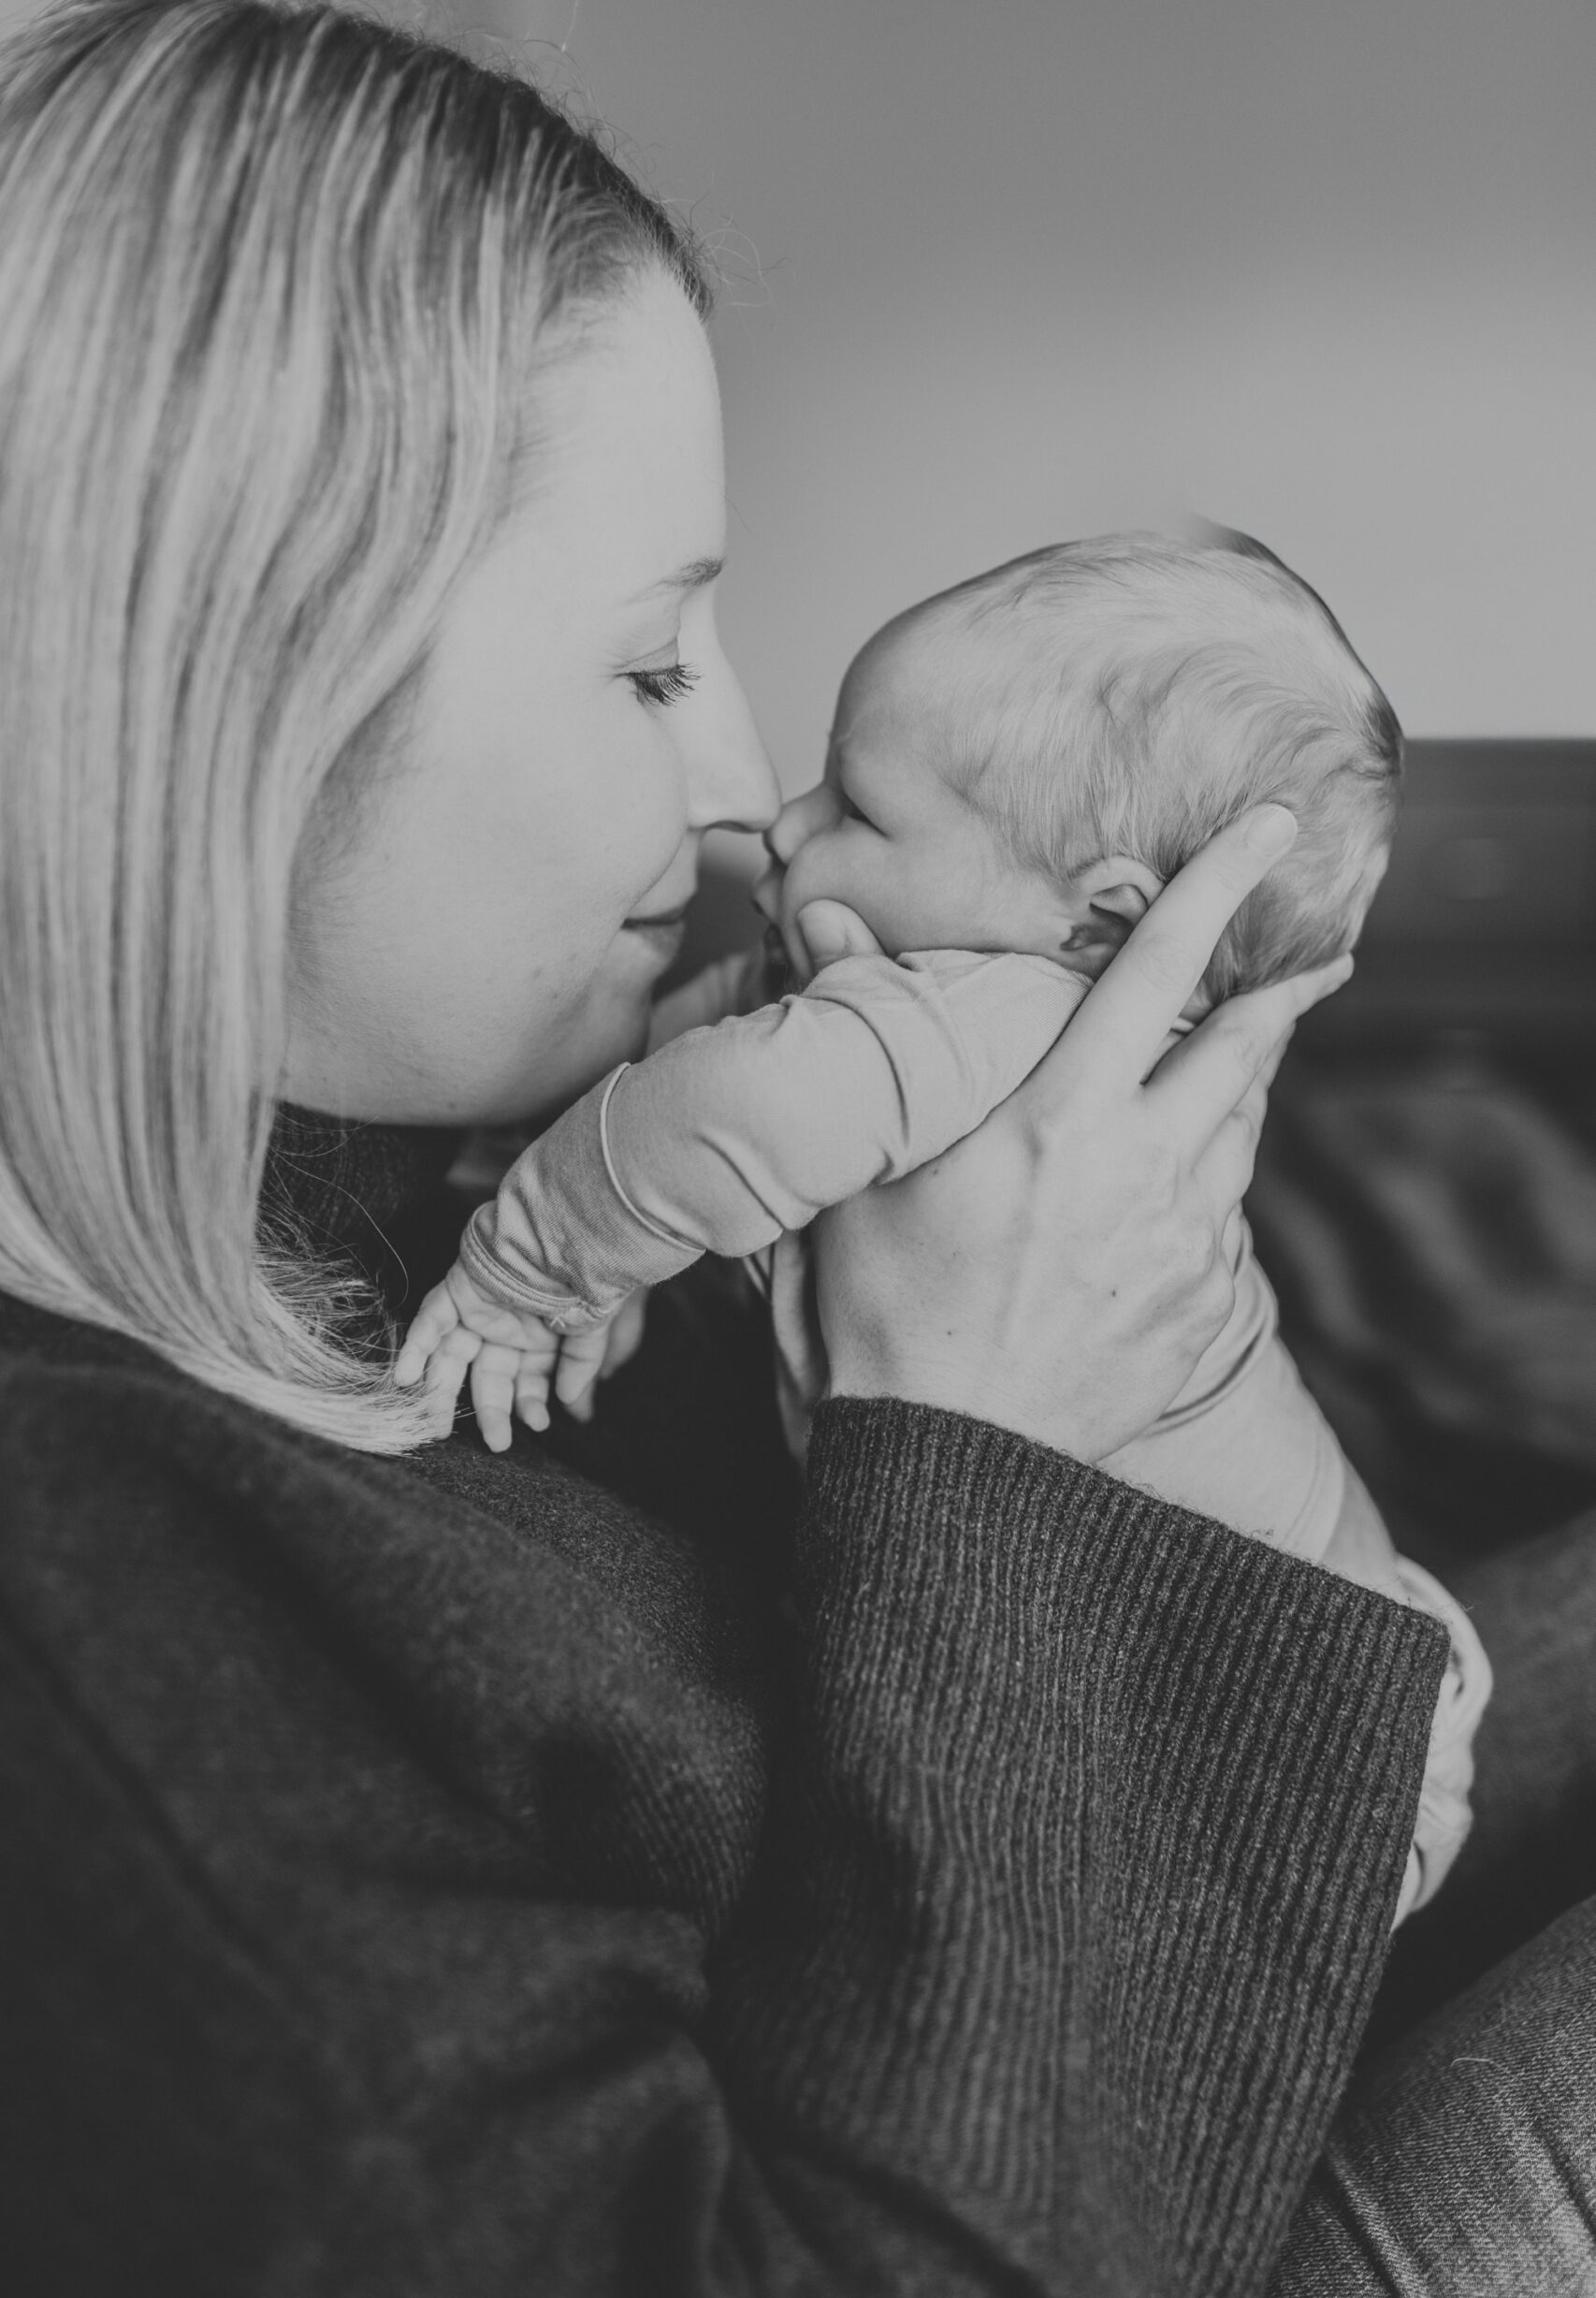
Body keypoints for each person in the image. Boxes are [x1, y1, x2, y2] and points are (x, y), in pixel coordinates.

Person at [0, 7, 1589, 2298]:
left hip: (1109, 1949)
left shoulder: (323, 1157)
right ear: (229, 700)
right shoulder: (103, 1643)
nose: (740, 778)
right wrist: (1000, 1434)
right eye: (646, 659)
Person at [393, 528, 1489, 1925]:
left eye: (854, 803)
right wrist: (568, 1149)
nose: (779, 826)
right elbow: (714, 1041)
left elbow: (732, 1100)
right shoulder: (1000, 1013)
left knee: (1178, 1940)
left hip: (1286, 1715)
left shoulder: (1001, 1010)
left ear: (1098, 920)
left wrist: (532, 1260)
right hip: (1343, 1646)